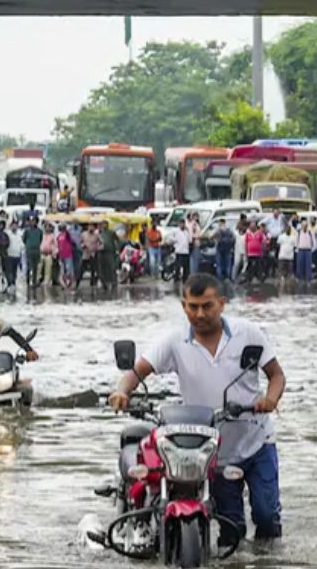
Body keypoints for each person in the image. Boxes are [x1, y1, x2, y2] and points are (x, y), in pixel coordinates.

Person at [107, 273, 286, 548]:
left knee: (266, 516)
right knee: (231, 530)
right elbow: (136, 372)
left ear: (222, 304)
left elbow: (276, 375)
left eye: (207, 306)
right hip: (214, 451)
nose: (200, 313)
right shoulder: (174, 341)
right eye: (193, 306)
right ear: (184, 306)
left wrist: (270, 400)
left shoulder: (248, 333)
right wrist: (122, 391)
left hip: (257, 441)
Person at [81, 221, 104, 287]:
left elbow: (102, 243)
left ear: (94, 228)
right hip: (86, 254)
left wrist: (98, 248)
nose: (91, 228)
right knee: (81, 269)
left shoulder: (97, 235)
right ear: (87, 227)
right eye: (89, 226)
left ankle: (94, 283)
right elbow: (81, 242)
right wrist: (83, 246)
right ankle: (76, 283)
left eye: (92, 226)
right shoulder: (84, 234)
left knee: (94, 269)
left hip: (94, 254)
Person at [23, 217, 44, 287]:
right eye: (32, 221)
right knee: (29, 266)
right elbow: (24, 239)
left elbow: (41, 239)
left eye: (34, 221)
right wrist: (28, 245)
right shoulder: (27, 231)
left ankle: (34, 281)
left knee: (35, 267)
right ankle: (28, 280)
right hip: (29, 250)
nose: (33, 223)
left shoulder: (39, 231)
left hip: (36, 250)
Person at [6, 220, 25, 288]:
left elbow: (22, 243)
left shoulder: (20, 233)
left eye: (15, 225)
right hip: (9, 255)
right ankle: (10, 284)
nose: (14, 226)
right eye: (13, 225)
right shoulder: (7, 233)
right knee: (10, 271)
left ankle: (13, 283)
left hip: (17, 255)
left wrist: (22, 250)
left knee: (15, 271)